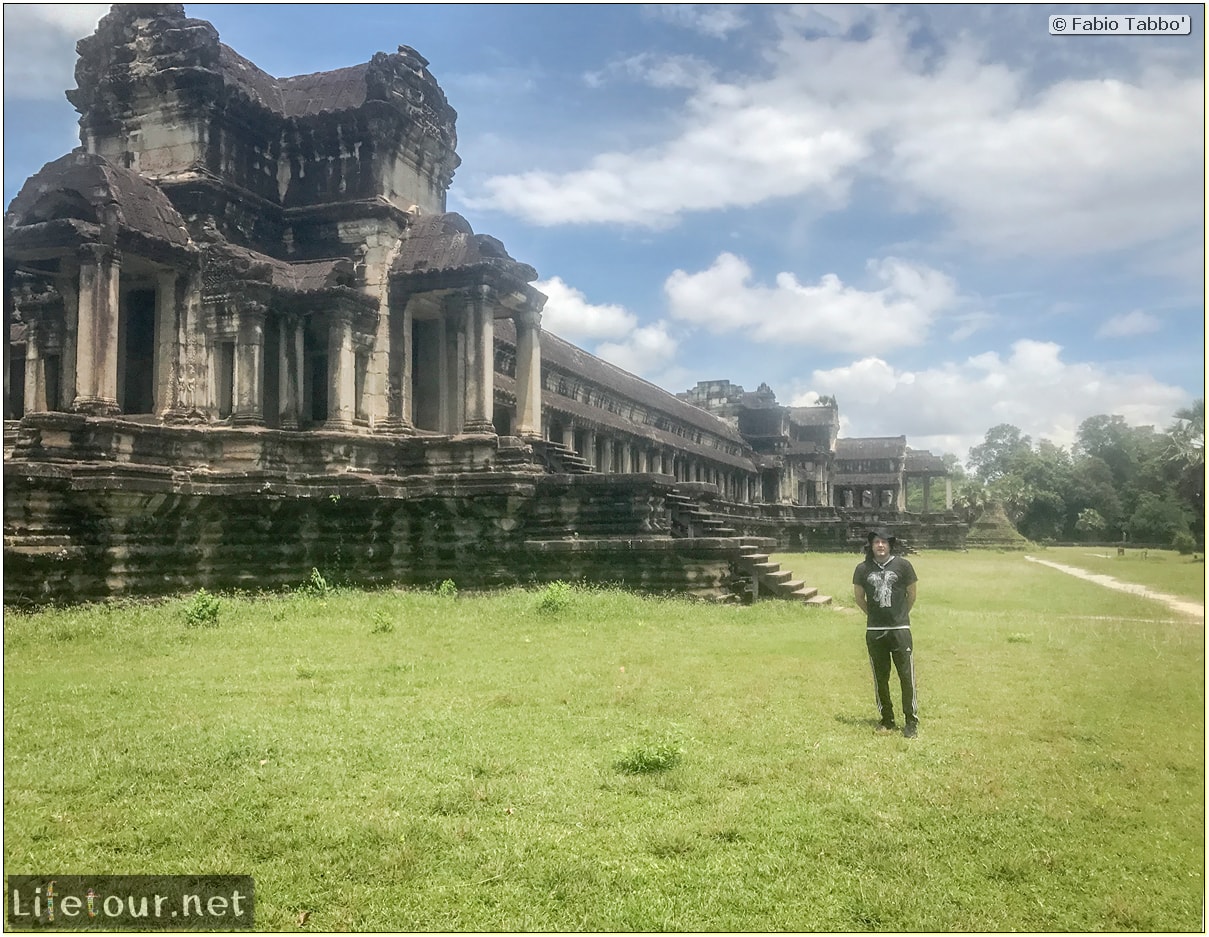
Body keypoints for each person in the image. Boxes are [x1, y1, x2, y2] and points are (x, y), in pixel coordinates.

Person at [852, 527, 919, 738]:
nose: (880, 545)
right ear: (871, 546)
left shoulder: (904, 566)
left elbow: (912, 595)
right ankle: (887, 718)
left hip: (900, 629)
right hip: (875, 630)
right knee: (880, 677)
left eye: (884, 542)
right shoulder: (863, 569)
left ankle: (911, 721)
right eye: (876, 542)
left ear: (890, 545)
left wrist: (899, 615)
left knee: (906, 676)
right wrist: (875, 617)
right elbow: (859, 598)